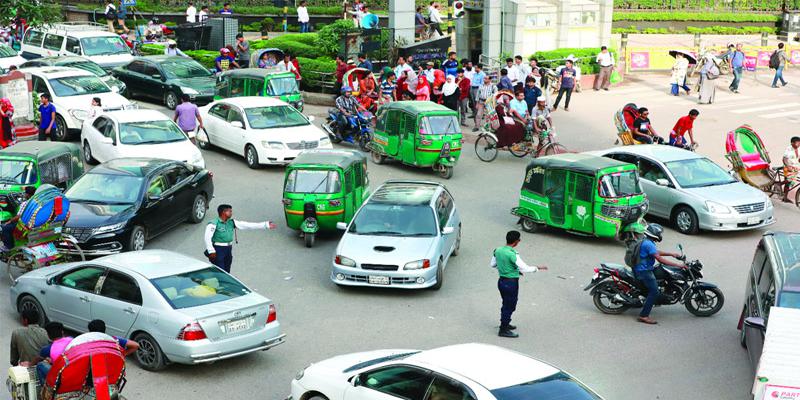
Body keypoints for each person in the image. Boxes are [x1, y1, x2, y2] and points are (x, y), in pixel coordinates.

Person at [490, 230, 548, 338]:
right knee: (510, 305)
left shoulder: (497, 250)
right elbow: (525, 268)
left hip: (501, 281)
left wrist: (506, 269)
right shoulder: (512, 254)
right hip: (511, 283)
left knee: (506, 303)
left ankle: (505, 323)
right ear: (516, 242)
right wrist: (538, 268)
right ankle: (503, 329)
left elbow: (493, 264)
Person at [633, 224, 685, 325]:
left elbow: (655, 252)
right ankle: (643, 315)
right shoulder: (648, 244)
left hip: (643, 268)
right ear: (655, 234)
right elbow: (660, 259)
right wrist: (678, 265)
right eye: (659, 233)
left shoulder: (647, 241)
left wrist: (671, 254)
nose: (660, 235)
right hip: (644, 271)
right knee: (654, 291)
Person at [204, 204, 275, 273]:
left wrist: (265, 225)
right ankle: (220, 283)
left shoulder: (231, 222)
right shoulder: (213, 223)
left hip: (228, 249)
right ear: (223, 212)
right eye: (229, 211)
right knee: (220, 271)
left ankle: (226, 283)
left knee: (227, 270)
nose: (231, 213)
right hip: (218, 249)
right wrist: (211, 251)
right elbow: (207, 237)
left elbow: (247, 225)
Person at [782, 136, 800, 202]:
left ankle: (785, 197)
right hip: (788, 168)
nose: (799, 144)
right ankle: (780, 185)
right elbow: (784, 159)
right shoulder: (789, 149)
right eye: (797, 143)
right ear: (792, 143)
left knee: (792, 182)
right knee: (788, 182)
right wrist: (788, 166)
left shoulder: (798, 149)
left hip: (796, 167)